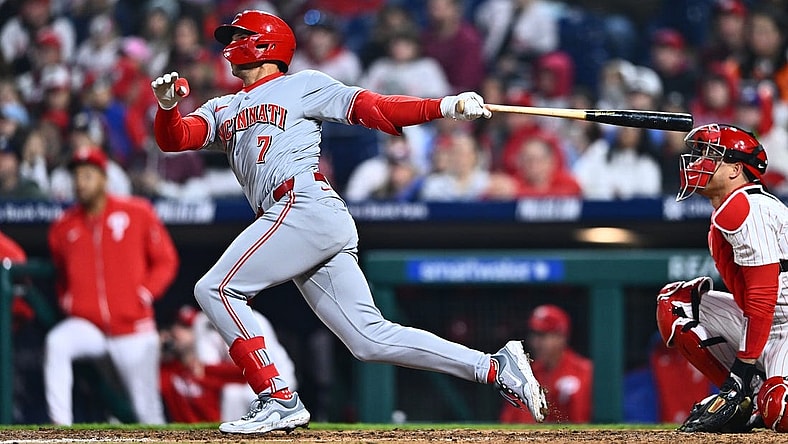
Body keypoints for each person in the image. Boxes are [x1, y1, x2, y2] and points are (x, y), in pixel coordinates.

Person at [150, 10, 547, 434]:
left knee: (216, 289)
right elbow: (175, 139)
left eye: (239, 35)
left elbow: (373, 108)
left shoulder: (302, 84)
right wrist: (168, 107)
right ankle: (493, 368)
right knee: (369, 339)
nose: (230, 43)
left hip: (302, 202)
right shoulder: (223, 106)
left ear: (265, 43)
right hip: (305, 217)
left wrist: (444, 105)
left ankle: (277, 397)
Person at [657, 123, 788, 432]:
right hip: (762, 322)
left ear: (734, 170)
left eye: (710, 155)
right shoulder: (729, 207)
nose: (696, 162)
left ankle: (750, 389)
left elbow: (763, 295)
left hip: (782, 322)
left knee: (780, 410)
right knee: (675, 304)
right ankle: (748, 398)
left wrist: (740, 369)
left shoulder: (747, 206)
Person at [44, 146, 179, 425]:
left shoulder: (137, 212)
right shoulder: (63, 226)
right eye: (77, 176)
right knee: (57, 343)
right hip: (88, 325)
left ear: (103, 179)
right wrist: (70, 301)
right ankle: (60, 429)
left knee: (146, 412)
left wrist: (145, 293)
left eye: (88, 175)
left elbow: (166, 260)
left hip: (133, 326)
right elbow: (61, 275)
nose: (81, 183)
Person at [500, 304, 593, 424]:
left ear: (561, 337)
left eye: (543, 336)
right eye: (534, 335)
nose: (536, 343)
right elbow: (508, 424)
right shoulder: (523, 377)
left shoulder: (585, 372)